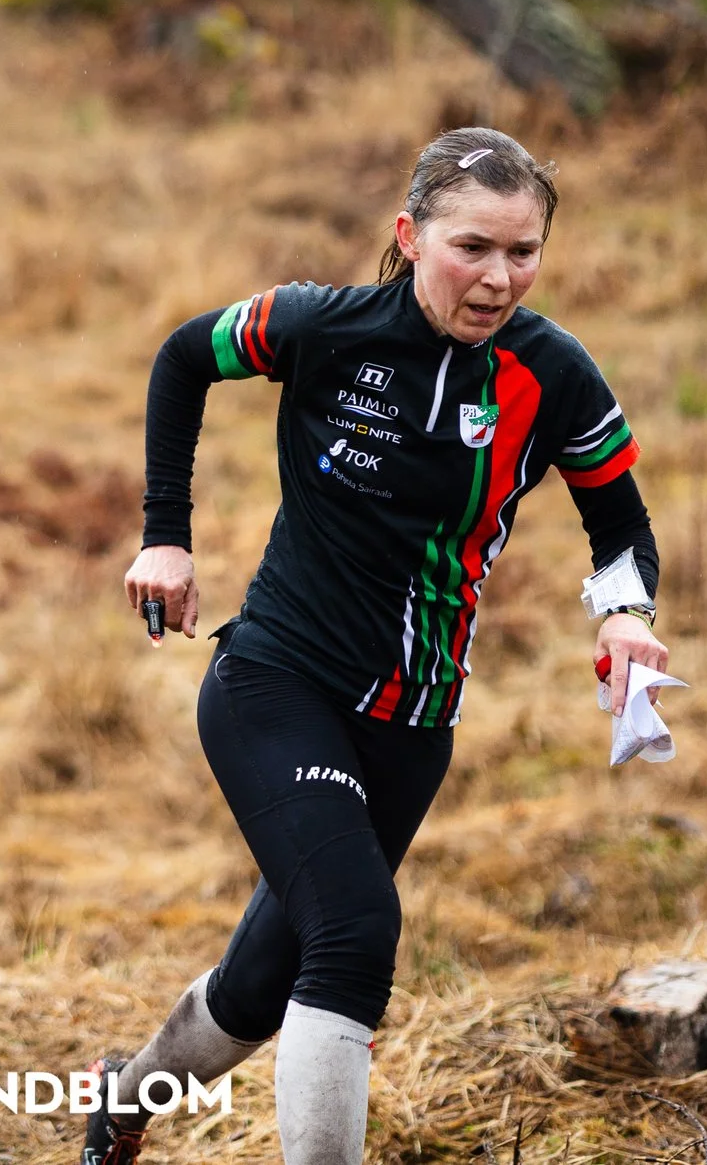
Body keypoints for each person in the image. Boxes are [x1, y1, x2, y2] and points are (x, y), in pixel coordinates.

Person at [84, 127, 668, 1165]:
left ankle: (121, 1100)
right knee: (355, 932)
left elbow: (620, 526)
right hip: (276, 679)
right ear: (408, 236)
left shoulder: (554, 372)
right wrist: (165, 533)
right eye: (471, 247)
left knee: (263, 982)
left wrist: (624, 614)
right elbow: (181, 356)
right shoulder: (319, 324)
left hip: (414, 724)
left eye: (521, 251)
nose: (497, 277)